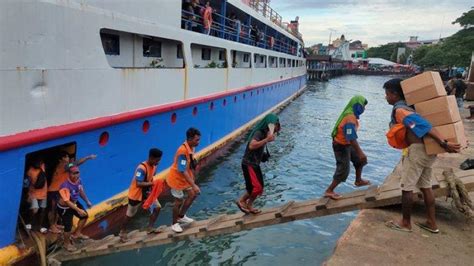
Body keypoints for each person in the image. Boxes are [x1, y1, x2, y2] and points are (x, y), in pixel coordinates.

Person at [383, 78, 460, 233]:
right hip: (428, 152)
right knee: (426, 186)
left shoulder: (400, 110)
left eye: (387, 94)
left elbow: (424, 126)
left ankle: (405, 223)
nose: (386, 97)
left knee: (407, 188)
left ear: (395, 94)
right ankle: (431, 223)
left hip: (418, 151)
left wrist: (444, 143)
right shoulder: (411, 108)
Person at [324, 95, 370, 200]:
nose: (364, 109)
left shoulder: (352, 116)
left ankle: (358, 181)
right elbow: (351, 137)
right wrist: (360, 152)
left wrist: (359, 154)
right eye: (362, 106)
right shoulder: (350, 118)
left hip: (347, 144)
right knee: (343, 169)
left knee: (360, 161)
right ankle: (329, 190)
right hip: (341, 145)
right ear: (357, 106)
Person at [236, 114, 281, 214]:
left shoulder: (264, 133)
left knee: (258, 187)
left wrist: (263, 155)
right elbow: (252, 146)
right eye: (276, 126)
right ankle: (242, 201)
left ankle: (249, 205)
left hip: (255, 163)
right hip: (249, 163)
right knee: (257, 187)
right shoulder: (259, 133)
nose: (277, 129)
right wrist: (266, 140)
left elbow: (257, 148)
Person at [119, 148, 163, 242]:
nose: (158, 162)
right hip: (136, 195)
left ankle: (150, 228)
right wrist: (152, 184)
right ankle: (122, 232)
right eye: (156, 160)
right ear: (151, 157)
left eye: (159, 160)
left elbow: (151, 176)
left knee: (157, 207)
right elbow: (139, 184)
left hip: (147, 193)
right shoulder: (141, 168)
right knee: (130, 214)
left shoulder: (154, 166)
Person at [48, 152, 96, 233]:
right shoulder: (64, 166)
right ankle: (52, 226)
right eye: (66, 156)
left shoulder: (66, 167)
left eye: (68, 156)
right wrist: (88, 157)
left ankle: (55, 224)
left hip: (59, 190)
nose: (68, 158)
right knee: (53, 209)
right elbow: (76, 163)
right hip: (54, 190)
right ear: (60, 159)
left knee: (56, 209)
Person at [166, 128, 201, 233]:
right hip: (176, 179)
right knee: (178, 201)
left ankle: (181, 216)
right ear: (190, 139)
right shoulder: (182, 151)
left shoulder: (191, 147)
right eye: (197, 140)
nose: (198, 142)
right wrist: (194, 184)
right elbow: (182, 170)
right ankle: (174, 223)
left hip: (185, 179)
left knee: (193, 194)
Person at [57, 165, 92, 252]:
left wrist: (87, 201)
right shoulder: (64, 186)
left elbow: (80, 191)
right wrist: (78, 210)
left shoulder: (79, 180)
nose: (76, 175)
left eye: (77, 173)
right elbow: (67, 202)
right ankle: (66, 244)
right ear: (69, 174)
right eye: (73, 174)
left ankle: (77, 233)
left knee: (84, 216)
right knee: (68, 226)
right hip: (65, 207)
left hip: (74, 203)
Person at [25, 158, 48, 233]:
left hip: (43, 193)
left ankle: (40, 226)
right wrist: (28, 194)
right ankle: (28, 223)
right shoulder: (30, 170)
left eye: (41, 163)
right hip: (33, 193)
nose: (40, 164)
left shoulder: (42, 167)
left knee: (42, 210)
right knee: (35, 209)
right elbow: (27, 182)